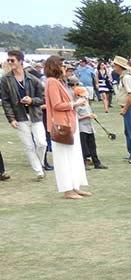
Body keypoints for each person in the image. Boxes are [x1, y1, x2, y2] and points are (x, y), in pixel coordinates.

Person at [43, 55, 91, 200]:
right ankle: (67, 189)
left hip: (70, 122)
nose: (65, 68)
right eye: (62, 65)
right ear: (55, 66)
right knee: (63, 158)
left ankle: (75, 186)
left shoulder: (60, 82)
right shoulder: (52, 82)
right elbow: (57, 105)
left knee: (73, 156)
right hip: (61, 124)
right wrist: (75, 104)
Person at [1, 50, 48, 180]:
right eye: (8, 60)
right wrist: (11, 119)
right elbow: (5, 101)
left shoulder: (33, 78)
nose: (10, 62)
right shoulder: (5, 79)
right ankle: (39, 171)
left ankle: (41, 163)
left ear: (20, 61)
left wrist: (32, 100)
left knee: (42, 143)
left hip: (35, 115)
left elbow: (43, 98)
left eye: (12, 60)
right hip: (19, 116)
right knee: (28, 146)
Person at [74, 85, 107, 170]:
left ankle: (97, 163)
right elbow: (75, 118)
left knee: (93, 146)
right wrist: (87, 116)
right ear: (77, 96)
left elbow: (89, 112)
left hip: (90, 128)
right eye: (82, 95)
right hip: (82, 129)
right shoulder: (77, 105)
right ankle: (84, 163)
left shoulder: (86, 103)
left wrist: (92, 115)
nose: (84, 97)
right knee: (84, 147)